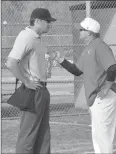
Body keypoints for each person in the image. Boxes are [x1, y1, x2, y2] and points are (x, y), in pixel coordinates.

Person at [56, 17, 116, 153]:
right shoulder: (88, 48)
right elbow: (77, 71)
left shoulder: (99, 45)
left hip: (104, 95)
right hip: (96, 97)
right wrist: (62, 60)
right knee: (98, 135)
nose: (79, 31)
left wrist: (107, 88)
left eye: (82, 29)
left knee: (103, 136)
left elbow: (112, 67)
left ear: (89, 32)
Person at [6, 8, 56, 154]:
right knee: (28, 136)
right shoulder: (26, 36)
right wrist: (26, 81)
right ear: (37, 21)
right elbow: (11, 63)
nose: (49, 24)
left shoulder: (36, 38)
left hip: (42, 90)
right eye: (48, 21)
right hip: (34, 91)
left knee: (44, 135)